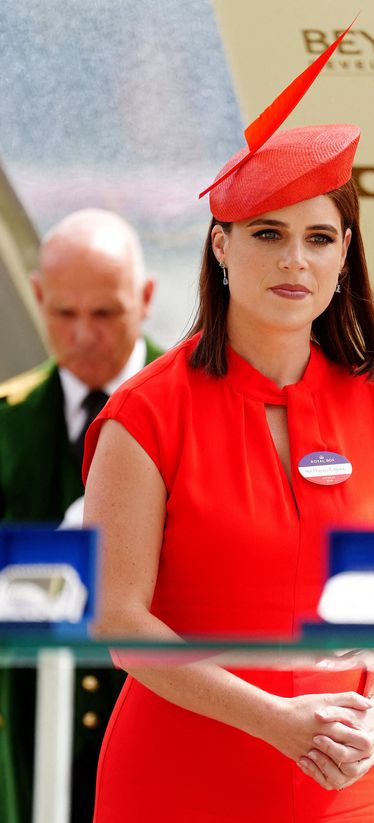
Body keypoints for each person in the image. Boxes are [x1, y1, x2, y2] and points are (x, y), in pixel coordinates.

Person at [82, 119, 374, 822]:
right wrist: (276, 718)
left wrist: (373, 716)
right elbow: (117, 618)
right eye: (267, 234)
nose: (294, 260)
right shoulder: (145, 412)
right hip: (180, 777)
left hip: (352, 779)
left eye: (318, 238)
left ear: (345, 255)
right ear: (220, 246)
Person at [0, 208, 162, 823]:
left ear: (145, 299)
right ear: (37, 297)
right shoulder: (8, 423)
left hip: (162, 718)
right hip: (28, 735)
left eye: (105, 313)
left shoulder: (202, 409)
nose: (84, 335)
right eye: (63, 314)